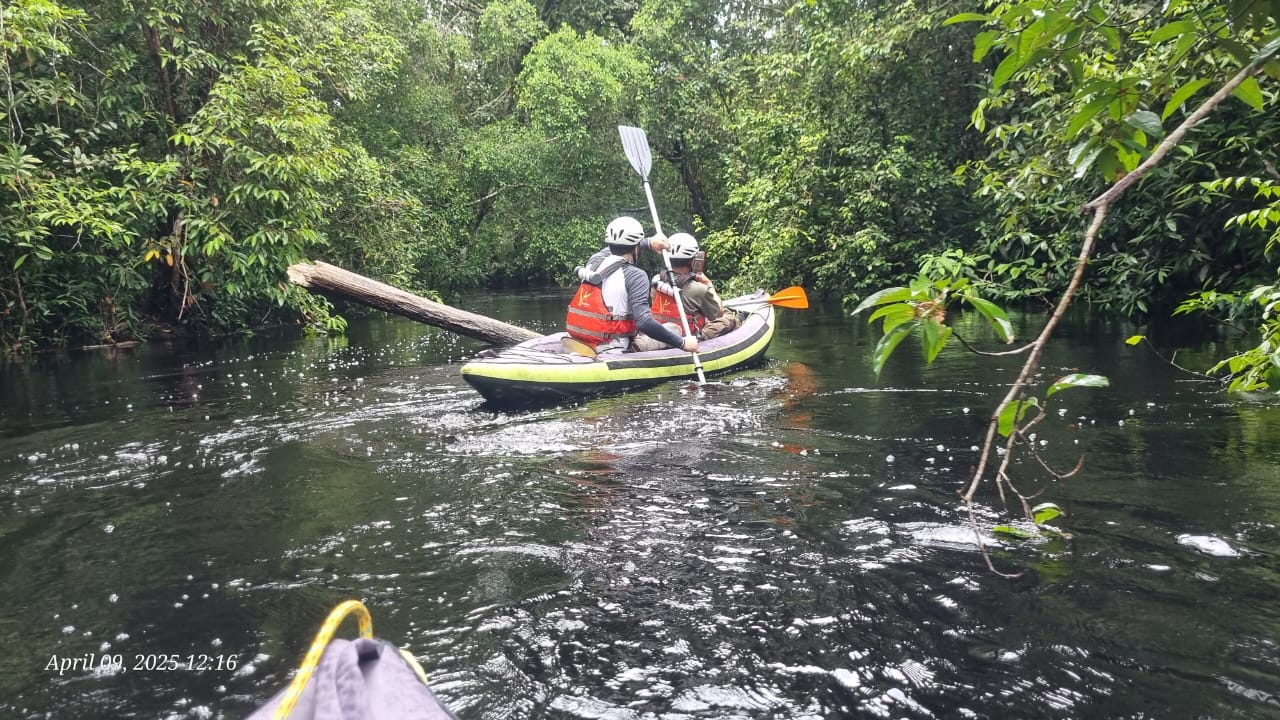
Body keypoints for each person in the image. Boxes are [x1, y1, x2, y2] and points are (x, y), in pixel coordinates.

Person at [566, 216, 699, 354]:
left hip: (581, 339)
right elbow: (644, 322)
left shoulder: (594, 261)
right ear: (636, 248)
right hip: (611, 348)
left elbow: (609, 250)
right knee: (674, 328)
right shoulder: (635, 276)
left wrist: (649, 243)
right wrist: (683, 343)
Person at [649, 233, 741, 341]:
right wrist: (709, 284)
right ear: (693, 261)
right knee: (729, 318)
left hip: (660, 331)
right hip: (687, 337)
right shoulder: (699, 289)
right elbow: (718, 314)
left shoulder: (656, 279)